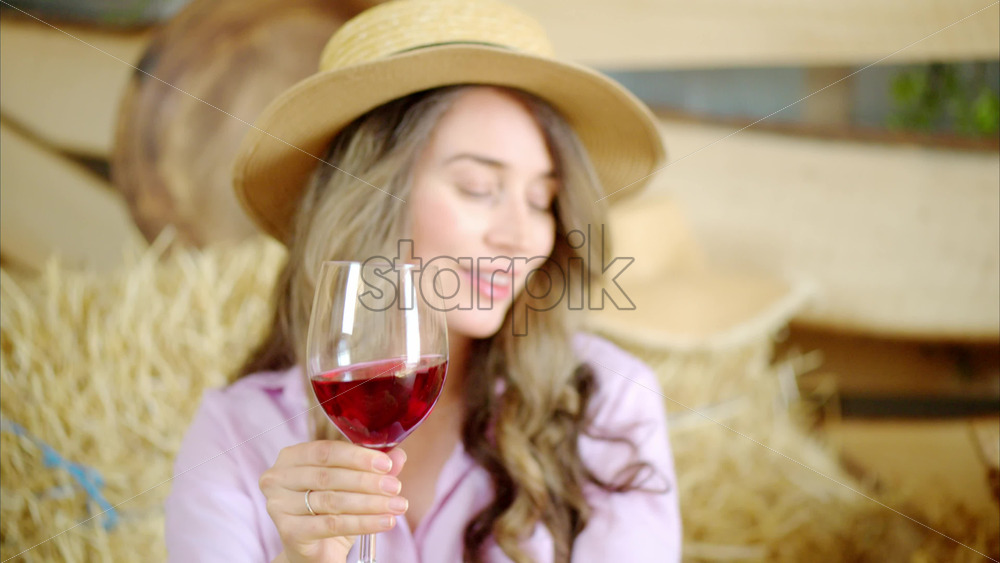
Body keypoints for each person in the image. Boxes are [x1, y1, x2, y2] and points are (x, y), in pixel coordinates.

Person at [165, 0, 681, 561]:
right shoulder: (234, 435)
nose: (522, 236)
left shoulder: (610, 403)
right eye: (478, 187)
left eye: (542, 201)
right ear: (370, 197)